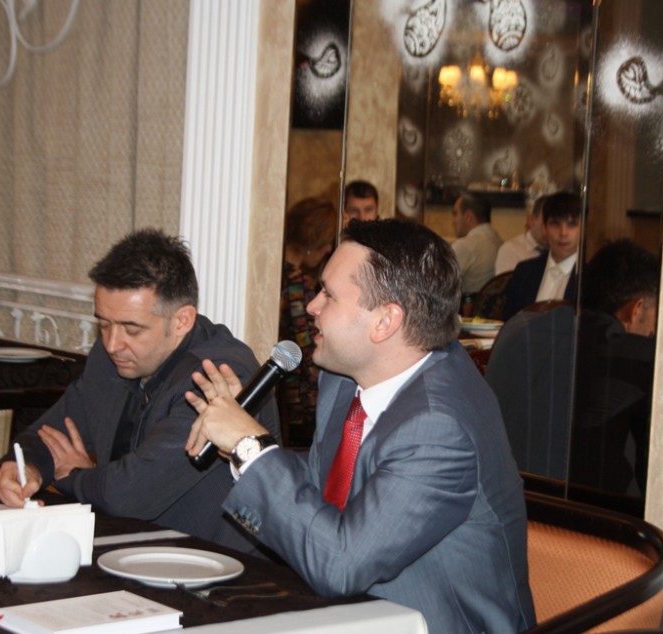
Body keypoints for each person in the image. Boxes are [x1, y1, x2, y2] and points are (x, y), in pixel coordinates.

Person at [184, 219, 536, 633]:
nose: (312, 306)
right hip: (350, 615)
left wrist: (250, 446)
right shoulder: (344, 379)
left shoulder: (440, 426)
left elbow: (340, 563)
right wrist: (242, 448)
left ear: (385, 322)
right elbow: (323, 489)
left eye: (329, 295)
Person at [0, 229, 279, 554]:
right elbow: (51, 431)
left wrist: (76, 474)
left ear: (181, 321)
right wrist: (24, 466)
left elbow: (130, 495)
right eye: (104, 324)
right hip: (129, 548)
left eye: (131, 329)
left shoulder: (219, 375)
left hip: (218, 565)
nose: (113, 344)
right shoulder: (113, 356)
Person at [570, 239, 660, 499]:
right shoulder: (637, 356)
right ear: (637, 309)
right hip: (605, 511)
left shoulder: (551, 335)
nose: (653, 330)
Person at [280, 197, 337, 447]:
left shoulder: (277, 273)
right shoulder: (297, 283)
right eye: (325, 243)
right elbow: (307, 347)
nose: (329, 249)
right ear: (312, 243)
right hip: (299, 403)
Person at [502, 190, 582, 320]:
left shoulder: (590, 278)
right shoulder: (524, 271)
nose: (563, 233)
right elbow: (509, 323)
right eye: (555, 224)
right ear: (544, 228)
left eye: (571, 225)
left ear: (583, 229)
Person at [451, 190, 504, 302]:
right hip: (495, 310)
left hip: (468, 310)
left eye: (455, 214)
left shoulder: (465, 246)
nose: (453, 221)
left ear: (469, 216)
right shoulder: (501, 243)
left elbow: (436, 284)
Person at [495, 194, 549, 275]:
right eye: (545, 223)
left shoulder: (559, 250)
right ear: (532, 220)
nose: (550, 229)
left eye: (555, 224)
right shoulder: (511, 250)